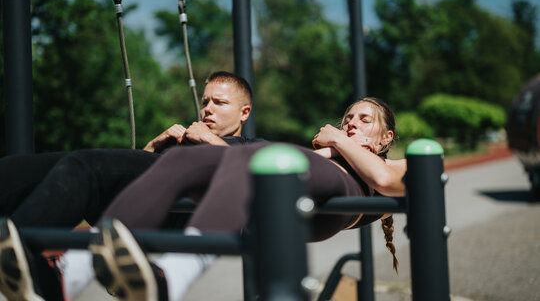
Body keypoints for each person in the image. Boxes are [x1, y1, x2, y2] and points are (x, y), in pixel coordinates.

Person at [0, 97, 406, 301]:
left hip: (320, 182)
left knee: (245, 159)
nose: (351, 122)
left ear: (386, 138)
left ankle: (174, 277)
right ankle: (73, 271)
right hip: (287, 172)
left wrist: (335, 140)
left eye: (363, 120)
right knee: (178, 162)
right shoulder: (327, 153)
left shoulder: (398, 162)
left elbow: (386, 180)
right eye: (347, 118)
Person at [0, 71, 260, 228]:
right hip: (134, 190)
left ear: (244, 112)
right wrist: (153, 145)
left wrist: (208, 139)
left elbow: (249, 175)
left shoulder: (251, 147)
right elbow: (132, 167)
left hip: (177, 206)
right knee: (19, 168)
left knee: (86, 165)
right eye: (205, 102)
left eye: (220, 102)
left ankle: (19, 247)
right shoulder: (184, 139)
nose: (208, 109)